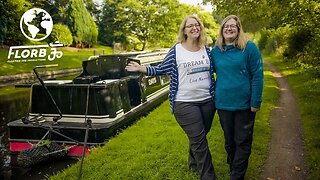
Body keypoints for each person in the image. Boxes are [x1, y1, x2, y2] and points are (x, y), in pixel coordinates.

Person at [125, 15, 216, 180]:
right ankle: (208, 176)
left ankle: (193, 163)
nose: (194, 28)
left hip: (208, 101)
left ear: (201, 28)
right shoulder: (177, 50)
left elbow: (218, 69)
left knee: (199, 136)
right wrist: (141, 68)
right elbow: (161, 69)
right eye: (190, 26)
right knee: (200, 141)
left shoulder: (206, 49)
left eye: (197, 25)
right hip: (184, 102)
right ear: (184, 30)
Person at [210, 15, 264, 180]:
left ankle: (236, 176)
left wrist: (255, 102)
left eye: (233, 26)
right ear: (222, 30)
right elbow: (205, 72)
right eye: (226, 26)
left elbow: (257, 76)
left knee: (243, 141)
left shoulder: (249, 48)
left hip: (245, 105)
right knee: (229, 142)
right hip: (223, 104)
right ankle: (234, 167)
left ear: (239, 29)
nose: (229, 28)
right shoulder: (216, 51)